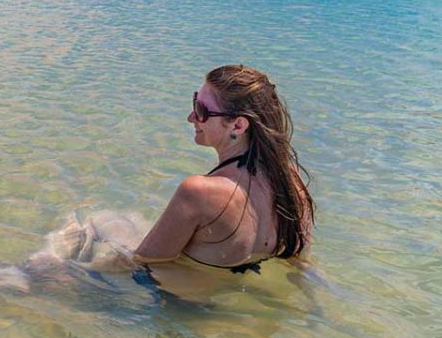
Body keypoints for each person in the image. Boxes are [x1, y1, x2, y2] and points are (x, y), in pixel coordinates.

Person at [134, 64, 314, 278]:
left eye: (201, 110)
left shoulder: (198, 193)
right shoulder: (291, 182)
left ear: (238, 126)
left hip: (184, 305)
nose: (191, 117)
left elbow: (143, 262)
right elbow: (298, 261)